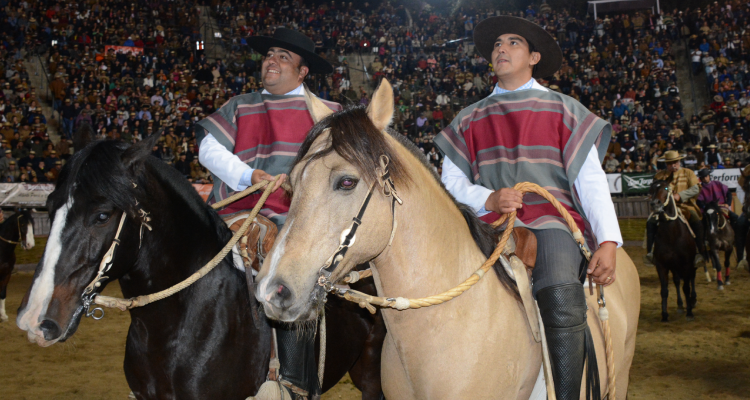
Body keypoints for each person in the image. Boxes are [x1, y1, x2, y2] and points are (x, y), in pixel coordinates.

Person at [434, 16, 621, 400]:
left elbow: (590, 183)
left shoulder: (566, 109)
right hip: (485, 222)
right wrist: (487, 198)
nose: (500, 48)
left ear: (534, 56)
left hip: (552, 221)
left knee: (557, 288)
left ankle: (567, 394)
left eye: (513, 43)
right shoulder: (467, 117)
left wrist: (608, 241)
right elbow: (450, 183)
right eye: (497, 44)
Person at [196, 28, 340, 400]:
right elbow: (208, 149)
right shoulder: (240, 104)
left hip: (297, 220)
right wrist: (249, 175)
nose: (271, 61)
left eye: (283, 57)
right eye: (269, 54)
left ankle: (293, 378)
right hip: (235, 210)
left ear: (303, 71)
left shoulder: (327, 114)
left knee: (288, 271)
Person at [645, 150, 706, 265]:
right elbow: (653, 190)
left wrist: (680, 195)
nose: (673, 165)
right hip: (664, 208)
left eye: (675, 163)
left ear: (679, 162)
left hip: (685, 206)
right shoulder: (659, 176)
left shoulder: (688, 173)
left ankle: (699, 251)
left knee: (696, 219)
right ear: (666, 164)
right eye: (670, 163)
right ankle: (651, 252)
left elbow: (696, 189)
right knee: (650, 222)